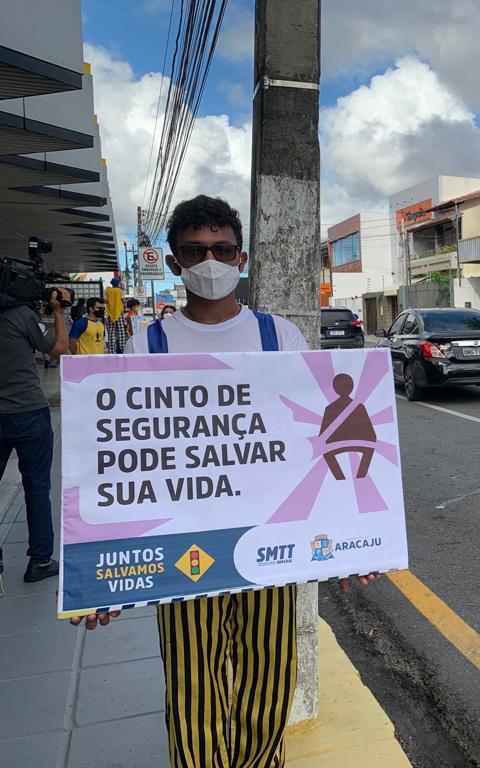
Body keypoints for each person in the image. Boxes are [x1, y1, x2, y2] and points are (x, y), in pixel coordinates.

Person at [71, 194, 379, 768]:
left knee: (269, 680)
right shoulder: (148, 345)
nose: (209, 261)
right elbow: (116, 459)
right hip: (181, 544)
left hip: (269, 541)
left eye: (222, 249)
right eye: (195, 251)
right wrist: (95, 578)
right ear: (174, 263)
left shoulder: (279, 338)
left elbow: (312, 446)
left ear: (242, 258)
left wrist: (355, 541)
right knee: (193, 686)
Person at [0, 286, 70, 584]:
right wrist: (58, 311)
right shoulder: (22, 315)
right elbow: (58, 349)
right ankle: (40, 560)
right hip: (28, 411)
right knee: (37, 487)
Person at [104, 277, 128, 354]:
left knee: (111, 332)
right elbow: (123, 300)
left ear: (111, 283)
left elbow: (105, 301)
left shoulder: (107, 291)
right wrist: (125, 304)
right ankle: (123, 350)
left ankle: (111, 351)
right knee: (121, 332)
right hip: (119, 313)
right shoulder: (120, 291)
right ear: (118, 283)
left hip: (110, 313)